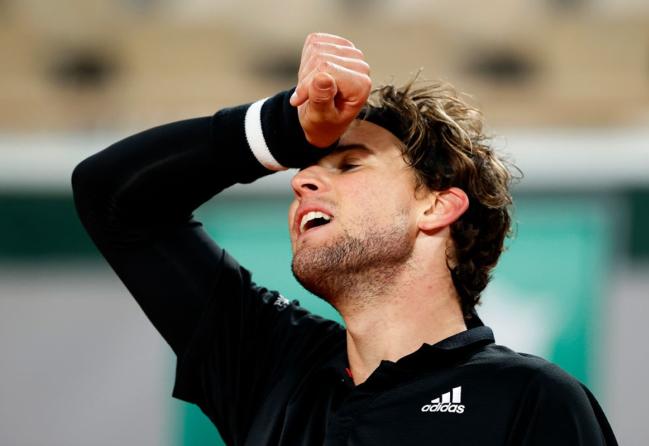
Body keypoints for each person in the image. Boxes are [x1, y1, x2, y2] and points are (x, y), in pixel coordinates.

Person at [72, 33, 617, 445]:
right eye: (305, 166)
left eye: (349, 164)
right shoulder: (269, 365)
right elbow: (112, 194)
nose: (300, 178)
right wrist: (284, 131)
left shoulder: (532, 399)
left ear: (436, 206)